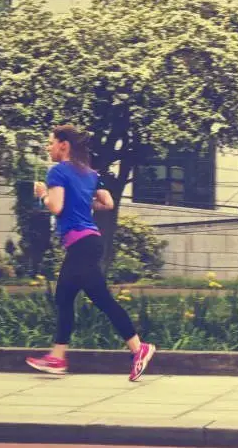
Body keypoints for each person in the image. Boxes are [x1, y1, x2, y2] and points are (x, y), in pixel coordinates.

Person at [26, 125, 156, 381]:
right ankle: (58, 357)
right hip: (89, 242)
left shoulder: (57, 172)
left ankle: (138, 348)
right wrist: (84, 202)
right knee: (65, 297)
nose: (48, 147)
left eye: (51, 143)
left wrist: (42, 195)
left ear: (64, 145)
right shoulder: (90, 173)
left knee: (97, 299)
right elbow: (108, 203)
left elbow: (56, 206)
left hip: (81, 245)